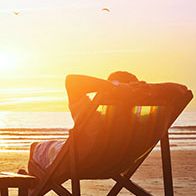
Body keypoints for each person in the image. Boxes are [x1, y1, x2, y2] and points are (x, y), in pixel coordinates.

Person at [27, 71, 188, 175]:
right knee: (57, 149)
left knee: (36, 147)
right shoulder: (141, 125)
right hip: (119, 164)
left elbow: (72, 80)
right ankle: (33, 183)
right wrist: (141, 89)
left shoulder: (92, 118)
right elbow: (182, 90)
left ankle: (32, 186)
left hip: (81, 162)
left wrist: (116, 88)